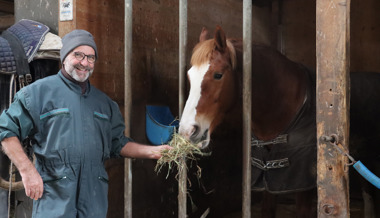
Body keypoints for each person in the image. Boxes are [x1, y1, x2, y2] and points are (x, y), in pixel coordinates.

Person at [0, 29, 170, 218]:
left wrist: (153, 151)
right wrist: (27, 171)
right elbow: (6, 130)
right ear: (64, 57)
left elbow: (117, 143)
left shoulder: (105, 104)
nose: (85, 63)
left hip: (93, 202)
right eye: (78, 55)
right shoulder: (37, 93)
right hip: (55, 200)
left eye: (90, 58)